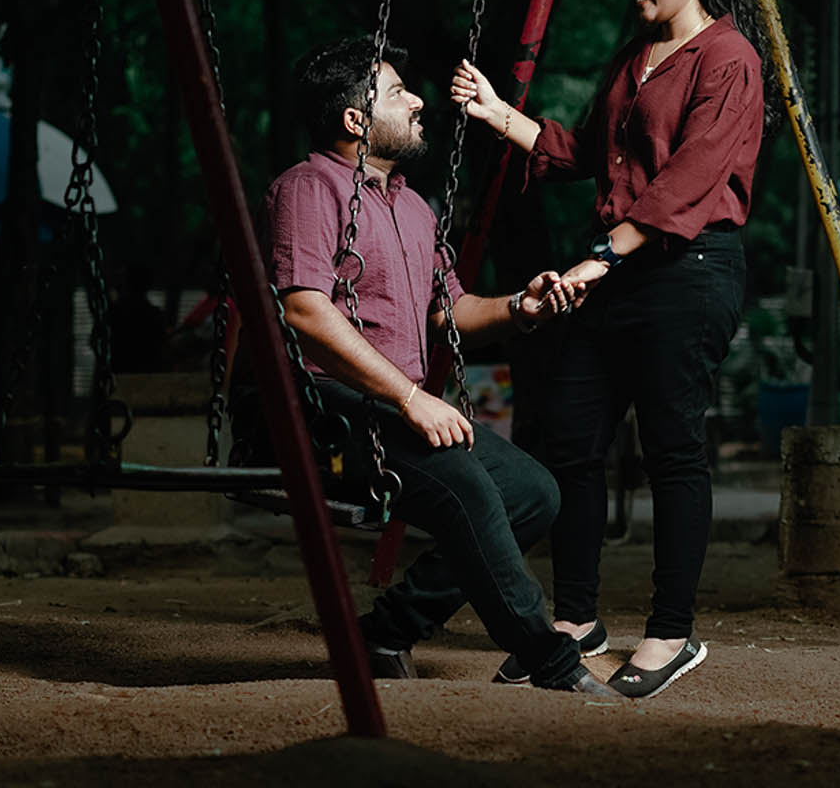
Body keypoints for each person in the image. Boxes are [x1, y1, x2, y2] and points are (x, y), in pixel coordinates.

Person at [451, 0, 770, 699]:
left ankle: (670, 632)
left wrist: (602, 258)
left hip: (689, 267)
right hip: (620, 268)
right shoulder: (637, 58)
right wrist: (498, 116)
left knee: (671, 447)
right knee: (573, 442)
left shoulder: (728, 58)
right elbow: (590, 152)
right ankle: (577, 620)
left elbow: (690, 177)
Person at [240, 36, 620, 699]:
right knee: (469, 490)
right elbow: (304, 311)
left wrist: (521, 307)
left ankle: (384, 631)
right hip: (327, 410)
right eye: (396, 93)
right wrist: (411, 400)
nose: (418, 101)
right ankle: (550, 661)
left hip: (395, 408)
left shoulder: (413, 205)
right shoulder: (308, 188)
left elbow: (451, 310)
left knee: (535, 493)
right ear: (355, 120)